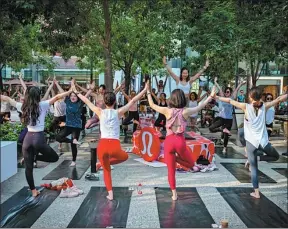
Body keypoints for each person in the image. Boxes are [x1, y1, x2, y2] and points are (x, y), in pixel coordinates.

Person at [74, 82, 149, 200]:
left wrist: (76, 91)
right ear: (115, 102)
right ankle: (102, 164)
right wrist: (145, 90)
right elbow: (133, 100)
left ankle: (110, 193)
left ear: (104, 102)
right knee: (125, 157)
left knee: (106, 171)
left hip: (102, 145)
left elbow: (86, 101)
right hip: (114, 145)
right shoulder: (118, 112)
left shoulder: (99, 111)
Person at [0, 85, 72, 197]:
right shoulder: (42, 105)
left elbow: (7, 99)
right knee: (54, 158)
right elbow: (57, 96)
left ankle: (33, 191)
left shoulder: (22, 106)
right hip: (38, 138)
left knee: (29, 168)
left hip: (27, 139)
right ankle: (36, 157)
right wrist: (70, 91)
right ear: (38, 96)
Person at [146, 85, 216, 201]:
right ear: (183, 99)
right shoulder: (186, 111)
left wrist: (148, 91)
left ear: (172, 99)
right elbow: (200, 106)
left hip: (169, 142)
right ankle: (178, 160)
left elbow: (152, 105)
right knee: (191, 164)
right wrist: (210, 96)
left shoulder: (167, 110)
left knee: (171, 170)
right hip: (180, 142)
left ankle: (174, 194)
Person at [214, 87, 286, 199]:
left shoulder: (246, 107)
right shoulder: (265, 106)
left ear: (250, 97)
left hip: (251, 144)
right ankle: (258, 159)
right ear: (260, 97)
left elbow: (229, 101)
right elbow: (279, 99)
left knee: (254, 169)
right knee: (276, 156)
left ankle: (256, 193)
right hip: (263, 143)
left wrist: (216, 97)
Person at [55, 79, 93, 166]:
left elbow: (86, 96)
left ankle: (74, 161)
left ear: (77, 97)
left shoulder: (80, 103)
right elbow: (61, 92)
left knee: (74, 142)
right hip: (68, 125)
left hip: (76, 126)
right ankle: (72, 141)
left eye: (75, 96)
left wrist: (90, 89)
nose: (73, 97)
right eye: (71, 96)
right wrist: (57, 83)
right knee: (58, 137)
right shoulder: (67, 101)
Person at [209, 78, 246, 153]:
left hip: (229, 119)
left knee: (226, 135)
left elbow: (236, 90)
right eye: (226, 92)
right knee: (211, 128)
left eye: (228, 92)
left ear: (230, 93)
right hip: (221, 118)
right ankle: (222, 130)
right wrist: (216, 82)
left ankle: (225, 147)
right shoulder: (222, 98)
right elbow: (219, 89)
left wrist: (241, 84)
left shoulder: (232, 98)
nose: (226, 93)